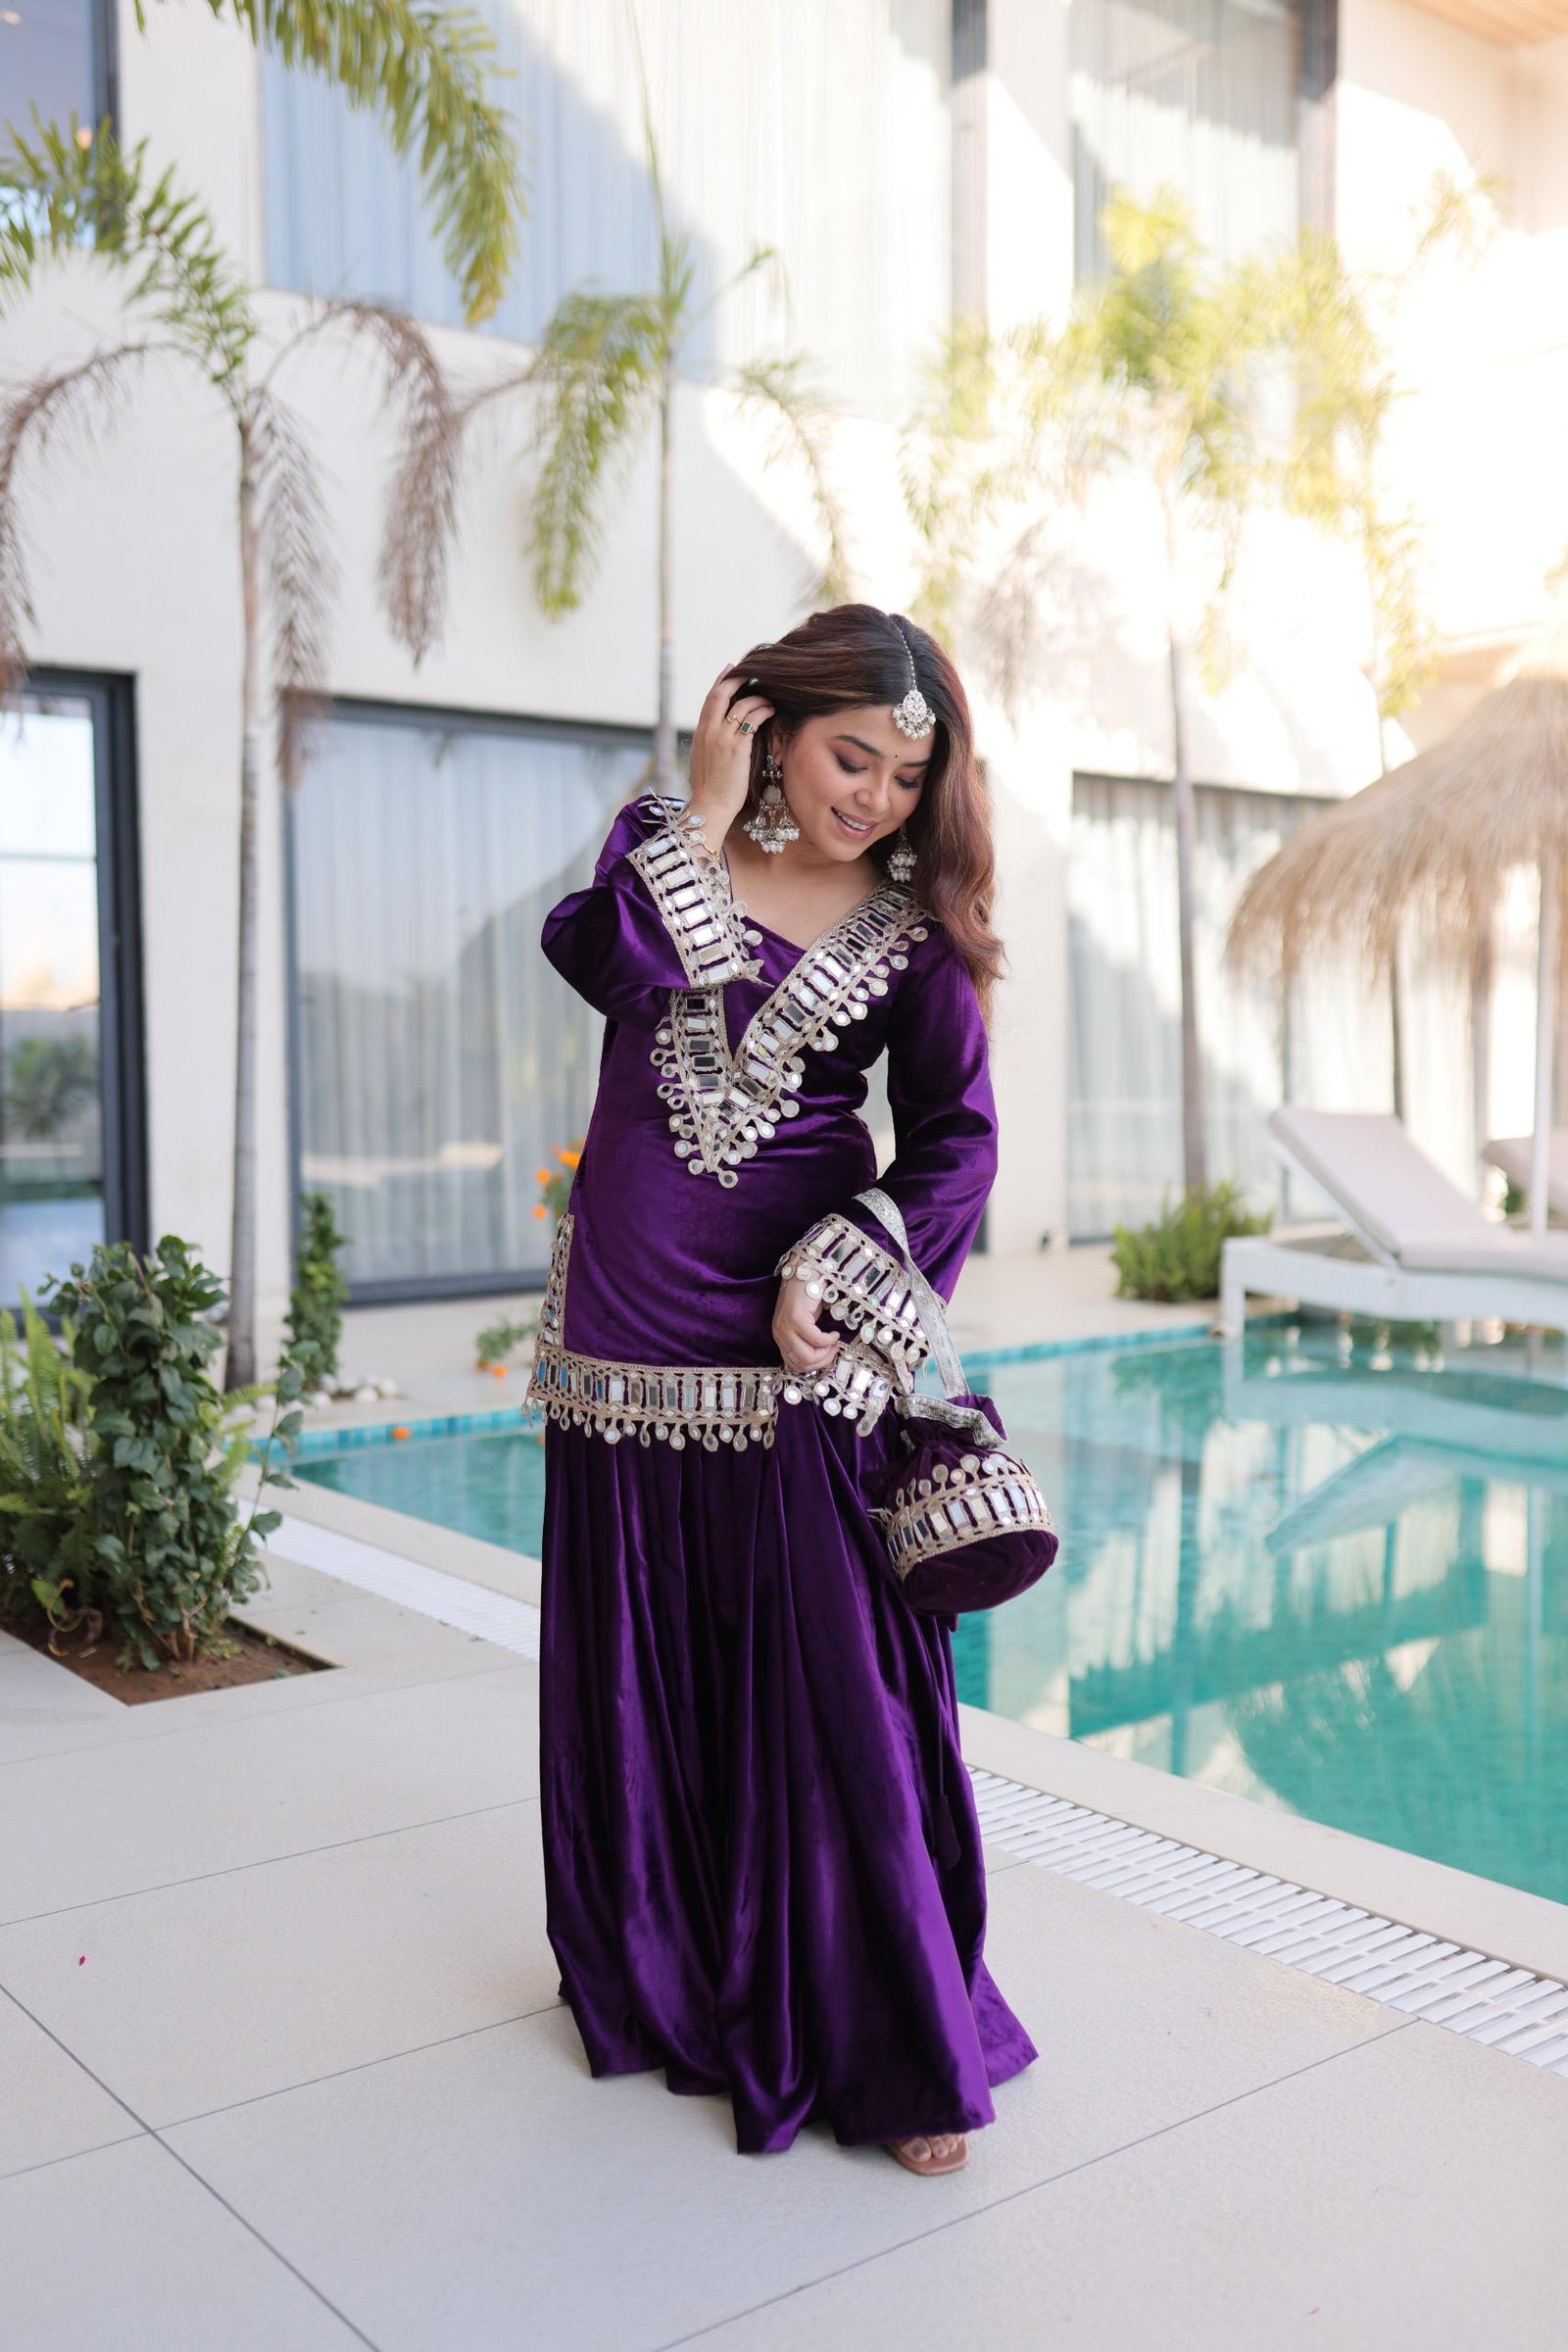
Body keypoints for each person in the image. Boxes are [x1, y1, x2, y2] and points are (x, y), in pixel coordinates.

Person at [531, 603, 1036, 2176]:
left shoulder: (911, 929)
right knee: (641, 1671)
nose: (875, 797)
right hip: (626, 1323)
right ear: (768, 725)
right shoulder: (658, 845)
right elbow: (597, 958)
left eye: (907, 774)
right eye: (849, 756)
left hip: (798, 1337)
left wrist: (848, 1255)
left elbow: (959, 1140)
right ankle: (666, 1974)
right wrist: (698, 807)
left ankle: (890, 2035)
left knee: (839, 1684)